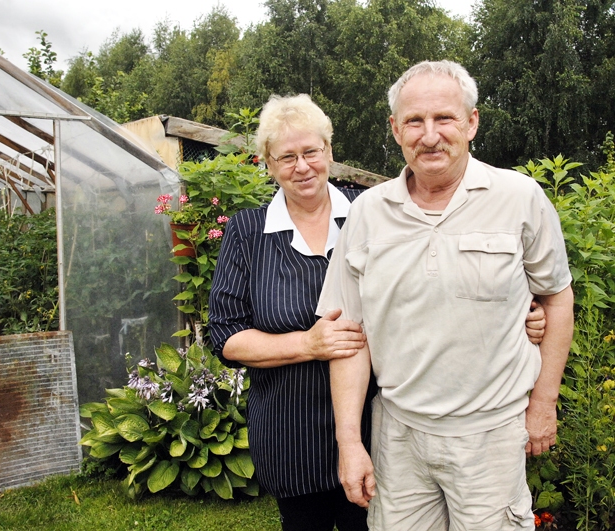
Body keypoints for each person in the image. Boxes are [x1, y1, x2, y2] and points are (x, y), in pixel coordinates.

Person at [208, 93, 548, 531]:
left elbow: (440, 283)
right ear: (268, 164)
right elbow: (226, 336)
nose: (302, 166)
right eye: (286, 157)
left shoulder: (373, 211)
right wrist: (308, 343)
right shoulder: (247, 232)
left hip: (377, 423)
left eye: (311, 151)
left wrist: (518, 309)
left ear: (329, 151)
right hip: (291, 427)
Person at [317, 60, 575, 530]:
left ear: (472, 122)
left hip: (490, 437)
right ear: (395, 129)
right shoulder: (367, 214)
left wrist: (543, 404)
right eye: (414, 121)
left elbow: (556, 298)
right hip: (399, 439)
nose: (429, 135)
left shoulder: (520, 198)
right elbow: (348, 335)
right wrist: (350, 443)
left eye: (445, 118)